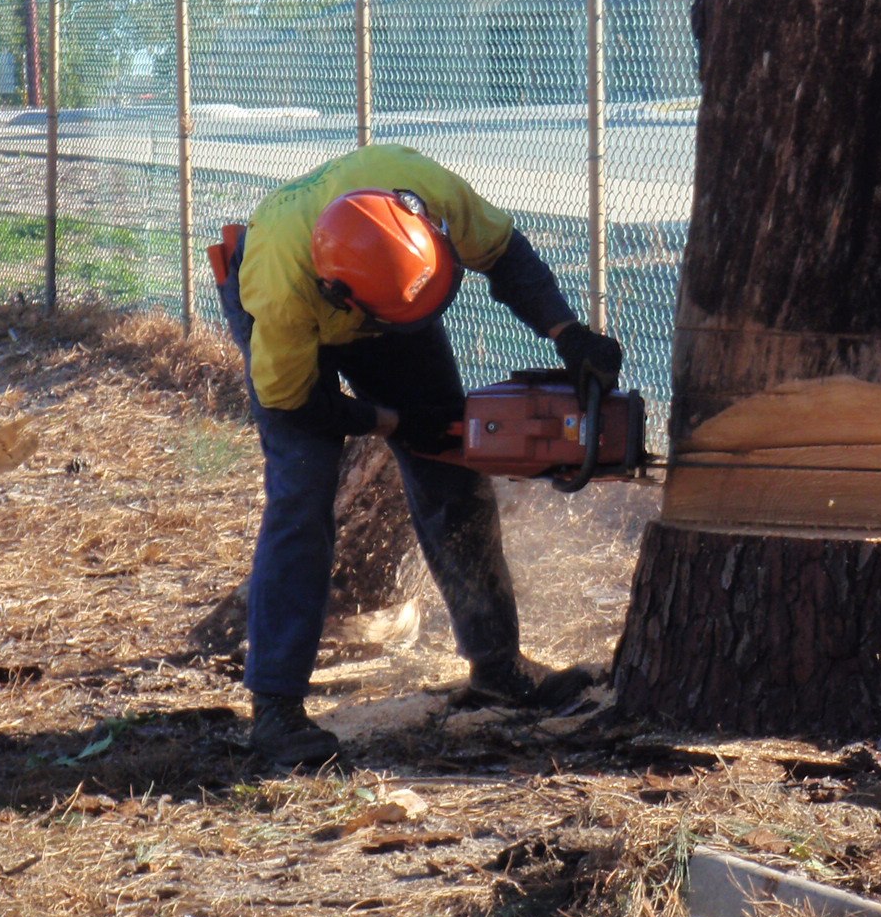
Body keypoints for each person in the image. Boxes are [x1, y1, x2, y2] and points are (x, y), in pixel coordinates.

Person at [213, 144, 624, 765]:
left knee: (450, 471)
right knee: (302, 497)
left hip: (391, 301)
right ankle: (276, 708)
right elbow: (296, 404)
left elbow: (506, 254)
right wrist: (393, 420)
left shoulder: (424, 187)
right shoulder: (282, 293)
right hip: (299, 321)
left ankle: (497, 666)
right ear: (346, 296)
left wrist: (568, 333)